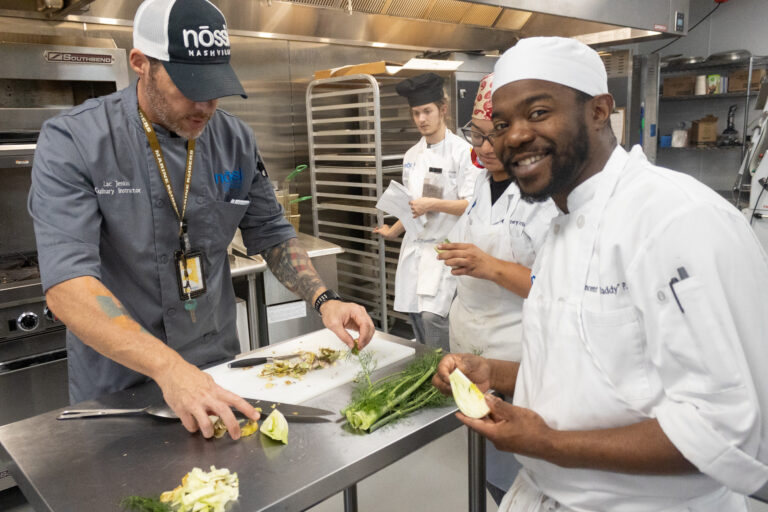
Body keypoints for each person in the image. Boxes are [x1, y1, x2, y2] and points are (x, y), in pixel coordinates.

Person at [432, 37, 768, 511]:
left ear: (598, 111)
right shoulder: (564, 223)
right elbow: (597, 374)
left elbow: (725, 428)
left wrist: (548, 443)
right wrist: (496, 372)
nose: (515, 137)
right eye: (502, 124)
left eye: (538, 112)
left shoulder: (675, 219)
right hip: (545, 494)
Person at [28, 0, 374, 441]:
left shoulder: (234, 139)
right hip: (121, 382)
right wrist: (169, 368)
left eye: (215, 88)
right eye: (190, 86)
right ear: (141, 63)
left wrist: (326, 300)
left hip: (216, 369)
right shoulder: (75, 139)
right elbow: (68, 287)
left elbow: (271, 233)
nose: (206, 105)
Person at [436, 73, 557, 505]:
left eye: (494, 135)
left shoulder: (544, 195)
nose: (484, 147)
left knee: (521, 471)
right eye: (476, 135)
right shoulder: (481, 185)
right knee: (485, 461)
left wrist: (490, 267)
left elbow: (556, 290)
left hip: (515, 353)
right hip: (471, 341)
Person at [373, 73, 480, 351]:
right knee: (415, 315)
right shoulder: (412, 155)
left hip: (444, 249)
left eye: (427, 111)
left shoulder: (463, 152)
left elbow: (471, 204)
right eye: (416, 113)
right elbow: (413, 205)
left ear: (443, 109)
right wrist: (393, 230)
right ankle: (427, 370)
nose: (421, 119)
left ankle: (444, 369)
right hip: (414, 248)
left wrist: (432, 204)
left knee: (434, 318)